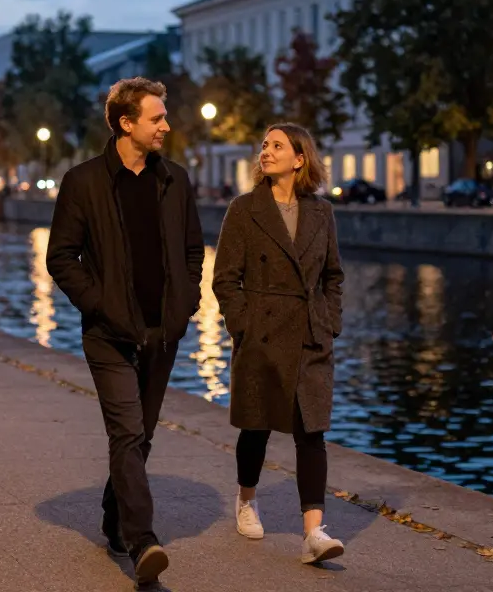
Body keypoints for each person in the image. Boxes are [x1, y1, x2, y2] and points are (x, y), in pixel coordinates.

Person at [45, 77, 203, 587]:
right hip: (109, 335)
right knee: (128, 432)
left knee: (142, 437)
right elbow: (61, 258)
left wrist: (185, 303)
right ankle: (142, 543)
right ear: (125, 123)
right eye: (157, 118)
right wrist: (100, 305)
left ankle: (115, 520)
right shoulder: (84, 181)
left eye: (164, 116)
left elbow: (193, 250)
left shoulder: (175, 179)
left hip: (162, 333)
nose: (166, 125)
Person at [212, 122, 346, 565]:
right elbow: (225, 278)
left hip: (310, 334)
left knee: (313, 432)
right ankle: (247, 499)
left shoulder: (322, 212)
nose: (265, 152)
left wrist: (329, 323)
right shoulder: (245, 208)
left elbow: (332, 276)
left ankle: (313, 533)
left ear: (300, 158)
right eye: (264, 145)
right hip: (262, 335)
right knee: (257, 425)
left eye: (277, 146)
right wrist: (243, 325)